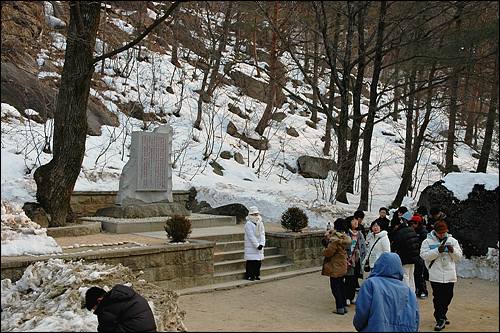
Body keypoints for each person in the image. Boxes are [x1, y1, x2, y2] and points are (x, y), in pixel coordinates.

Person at [353, 252, 419, 332]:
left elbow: (361, 313)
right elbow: (415, 319)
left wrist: (359, 327)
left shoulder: (371, 284)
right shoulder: (409, 291)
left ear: (378, 265)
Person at [420, 220, 463, 331]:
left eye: (444, 232)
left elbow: (458, 257)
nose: (442, 234)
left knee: (449, 296)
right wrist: (436, 251)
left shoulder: (452, 241)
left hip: (449, 273)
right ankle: (440, 318)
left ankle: (441, 314)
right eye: (440, 233)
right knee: (438, 297)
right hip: (436, 273)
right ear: (435, 231)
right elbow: (424, 255)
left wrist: (452, 250)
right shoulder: (427, 242)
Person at [84, 284, 157, 332]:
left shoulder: (106, 307)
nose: (96, 312)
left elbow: (105, 329)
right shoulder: (123, 296)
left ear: (99, 300)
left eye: (95, 308)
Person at [321, 218, 352, 315]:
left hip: (335, 266)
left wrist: (325, 245)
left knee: (335, 287)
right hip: (342, 265)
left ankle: (339, 307)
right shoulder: (344, 237)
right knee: (341, 286)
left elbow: (328, 253)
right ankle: (343, 306)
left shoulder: (334, 240)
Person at [391, 210, 421, 291]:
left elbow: (396, 244)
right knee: (411, 276)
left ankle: (407, 295)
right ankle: (412, 293)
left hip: (404, 257)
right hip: (413, 257)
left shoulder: (400, 231)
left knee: (405, 276)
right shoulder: (412, 230)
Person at [344, 216, 366, 306]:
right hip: (349, 259)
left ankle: (352, 296)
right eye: (353, 220)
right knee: (349, 278)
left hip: (357, 259)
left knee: (355, 278)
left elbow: (363, 246)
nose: (355, 222)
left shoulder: (359, 234)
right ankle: (347, 297)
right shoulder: (346, 234)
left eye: (356, 220)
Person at [409, 214, 429, 299]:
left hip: (420, 255)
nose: (413, 225)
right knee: (413, 273)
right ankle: (417, 289)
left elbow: (423, 244)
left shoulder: (423, 232)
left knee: (419, 274)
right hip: (413, 254)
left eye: (414, 223)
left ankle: (423, 290)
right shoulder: (412, 230)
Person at [244, 205, 266, 281]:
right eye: (253, 214)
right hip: (251, 246)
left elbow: (262, 234)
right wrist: (257, 245)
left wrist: (262, 244)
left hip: (259, 246)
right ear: (250, 215)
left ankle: (257, 275)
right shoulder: (248, 224)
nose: (255, 216)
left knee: (258, 263)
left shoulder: (260, 223)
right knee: (251, 262)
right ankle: (250, 275)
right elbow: (251, 236)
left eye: (256, 214)